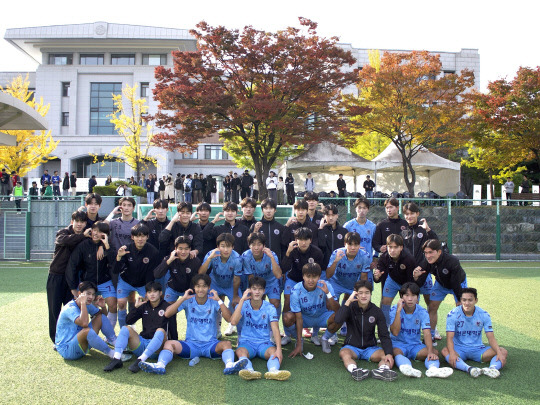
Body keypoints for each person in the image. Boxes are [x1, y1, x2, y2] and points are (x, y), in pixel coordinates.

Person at [139, 274, 248, 375]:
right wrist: (183, 298)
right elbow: (167, 313)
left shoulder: (214, 301)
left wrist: (219, 300)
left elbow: (229, 319)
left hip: (210, 344)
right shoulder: (188, 300)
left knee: (227, 344)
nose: (201, 289)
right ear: (194, 288)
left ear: (209, 287)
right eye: (198, 286)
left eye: (204, 286)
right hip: (191, 345)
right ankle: (160, 366)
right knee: (169, 344)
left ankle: (229, 366)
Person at [104, 281, 176, 373]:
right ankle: (117, 359)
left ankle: (140, 360)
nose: (152, 294)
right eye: (149, 292)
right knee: (125, 328)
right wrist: (136, 307)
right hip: (142, 343)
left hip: (157, 348)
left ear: (160, 293)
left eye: (154, 292)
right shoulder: (144, 306)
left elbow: (173, 327)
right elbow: (128, 321)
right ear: (146, 294)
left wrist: (174, 344)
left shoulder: (168, 307)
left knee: (160, 330)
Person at [336, 280, 397, 382]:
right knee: (344, 353)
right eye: (360, 293)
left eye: (367, 293)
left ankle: (382, 371)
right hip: (352, 347)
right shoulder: (350, 307)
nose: (364, 296)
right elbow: (338, 320)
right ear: (356, 294)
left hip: (370, 348)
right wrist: (348, 301)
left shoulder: (377, 311)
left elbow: (384, 334)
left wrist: (389, 353)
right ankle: (355, 371)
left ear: (371, 294)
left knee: (385, 355)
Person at [231, 277, 291, 381]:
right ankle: (249, 371)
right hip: (247, 342)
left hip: (264, 343)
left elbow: (275, 328)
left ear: (264, 291)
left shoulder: (270, 307)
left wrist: (279, 349)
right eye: (254, 289)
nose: (257, 292)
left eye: (260, 289)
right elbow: (233, 322)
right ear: (249, 290)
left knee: (274, 353)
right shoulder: (243, 305)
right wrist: (241, 300)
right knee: (240, 351)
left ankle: (273, 371)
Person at [441, 287, 508, 378]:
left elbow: (491, 337)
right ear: (460, 300)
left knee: (502, 351)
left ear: (476, 300)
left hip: (478, 350)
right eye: (464, 300)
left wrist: (499, 353)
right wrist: (452, 353)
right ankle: (469, 369)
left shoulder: (484, 314)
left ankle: (492, 369)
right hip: (459, 350)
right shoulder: (453, 314)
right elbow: (450, 338)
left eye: (470, 300)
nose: (467, 303)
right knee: (445, 351)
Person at [390, 282, 453, 378]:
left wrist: (430, 351)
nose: (410, 299)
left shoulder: (422, 311)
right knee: (394, 352)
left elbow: (427, 333)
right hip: (398, 344)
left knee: (434, 353)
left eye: (413, 295)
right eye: (407, 295)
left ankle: (433, 369)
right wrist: (398, 311)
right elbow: (395, 332)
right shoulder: (394, 309)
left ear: (418, 297)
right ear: (401, 297)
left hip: (415, 345)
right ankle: (407, 367)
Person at [55, 281, 128, 361]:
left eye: (93, 294)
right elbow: (84, 324)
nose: (91, 297)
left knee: (101, 317)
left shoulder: (87, 304)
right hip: (67, 350)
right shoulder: (70, 308)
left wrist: (103, 307)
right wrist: (83, 303)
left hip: (81, 343)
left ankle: (117, 344)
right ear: (80, 293)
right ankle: (113, 354)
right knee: (87, 331)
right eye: (88, 293)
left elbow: (103, 317)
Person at [47, 211, 91, 343]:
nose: (79, 224)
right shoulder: (63, 232)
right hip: (56, 276)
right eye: (77, 221)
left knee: (71, 310)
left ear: (85, 224)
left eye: (82, 222)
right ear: (72, 221)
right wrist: (82, 236)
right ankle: (56, 340)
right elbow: (64, 241)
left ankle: (70, 338)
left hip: (72, 279)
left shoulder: (86, 237)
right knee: (54, 310)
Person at [66, 221, 118, 328]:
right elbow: (72, 265)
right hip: (89, 282)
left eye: (99, 232)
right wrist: (72, 287)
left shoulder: (108, 246)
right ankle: (85, 332)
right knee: (87, 307)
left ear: (105, 234)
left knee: (112, 304)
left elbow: (114, 264)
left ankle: (109, 335)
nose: (95, 233)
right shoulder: (83, 245)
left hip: (105, 281)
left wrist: (105, 246)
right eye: (94, 230)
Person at [414, 239, 468, 340]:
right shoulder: (427, 262)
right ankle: (431, 335)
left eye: (430, 252)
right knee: (432, 306)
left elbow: (455, 283)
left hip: (458, 284)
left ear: (439, 252)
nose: (428, 256)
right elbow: (420, 283)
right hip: (440, 284)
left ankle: (462, 337)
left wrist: (460, 298)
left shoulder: (452, 261)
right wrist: (416, 277)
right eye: (425, 253)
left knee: (463, 308)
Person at [284, 263, 341, 356]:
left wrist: (328, 293)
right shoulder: (296, 290)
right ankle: (300, 341)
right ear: (303, 276)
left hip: (322, 316)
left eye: (314, 277)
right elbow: (298, 318)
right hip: (304, 318)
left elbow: (338, 310)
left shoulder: (326, 285)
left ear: (319, 277)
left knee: (340, 316)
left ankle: (325, 338)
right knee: (287, 317)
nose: (311, 280)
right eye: (308, 276)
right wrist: (298, 341)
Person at [280, 227, 325, 345]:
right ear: (295, 240)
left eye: (306, 239)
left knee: (316, 302)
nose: (303, 242)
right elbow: (283, 269)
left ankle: (315, 334)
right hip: (293, 279)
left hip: (311, 280)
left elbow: (319, 271)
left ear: (311, 240)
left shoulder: (317, 252)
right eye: (300, 239)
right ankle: (287, 334)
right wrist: (288, 252)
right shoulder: (292, 250)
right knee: (287, 300)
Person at [114, 223, 160, 328]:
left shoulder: (153, 252)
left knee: (148, 304)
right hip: (126, 281)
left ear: (147, 237)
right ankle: (124, 330)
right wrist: (119, 257)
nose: (140, 239)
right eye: (137, 236)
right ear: (132, 237)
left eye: (143, 236)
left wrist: (148, 291)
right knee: (121, 303)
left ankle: (148, 331)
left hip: (143, 283)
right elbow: (116, 270)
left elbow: (151, 274)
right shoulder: (126, 249)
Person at [326, 231, 371, 337]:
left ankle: (347, 324)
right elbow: (328, 275)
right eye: (350, 244)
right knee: (331, 305)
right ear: (345, 244)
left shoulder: (365, 256)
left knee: (359, 304)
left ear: (360, 245)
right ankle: (332, 334)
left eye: (356, 244)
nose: (353, 247)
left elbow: (364, 277)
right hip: (336, 283)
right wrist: (336, 261)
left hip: (353, 285)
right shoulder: (337, 253)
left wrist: (361, 293)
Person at [402, 202, 437, 325]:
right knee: (410, 301)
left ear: (417, 214)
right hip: (408, 274)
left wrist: (428, 230)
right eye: (406, 214)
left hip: (424, 272)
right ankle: (412, 327)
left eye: (412, 213)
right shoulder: (403, 231)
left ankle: (432, 329)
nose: (409, 216)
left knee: (430, 303)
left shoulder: (423, 229)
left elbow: (435, 243)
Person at [373, 234, 420, 328]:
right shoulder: (384, 257)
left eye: (396, 247)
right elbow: (377, 279)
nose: (392, 250)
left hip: (407, 282)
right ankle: (385, 328)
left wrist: (406, 295)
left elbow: (412, 281)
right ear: (387, 247)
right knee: (385, 302)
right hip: (392, 280)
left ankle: (410, 328)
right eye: (390, 247)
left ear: (401, 247)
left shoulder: (409, 259)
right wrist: (376, 276)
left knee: (411, 303)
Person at [372, 198, 409, 293]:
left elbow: (408, 242)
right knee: (385, 295)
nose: (388, 210)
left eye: (391, 207)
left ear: (397, 208)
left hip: (403, 262)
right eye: (387, 207)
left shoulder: (405, 224)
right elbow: (375, 243)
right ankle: (384, 308)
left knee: (406, 293)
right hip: (386, 262)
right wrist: (380, 248)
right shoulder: (381, 225)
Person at [154, 236, 201, 303]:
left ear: (190, 249)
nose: (183, 252)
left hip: (189, 290)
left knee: (191, 312)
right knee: (168, 311)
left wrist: (189, 295)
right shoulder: (170, 258)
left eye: (186, 249)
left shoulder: (195, 261)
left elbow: (195, 280)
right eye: (180, 248)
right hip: (173, 288)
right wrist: (169, 260)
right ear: (175, 248)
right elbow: (157, 275)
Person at [318, 204, 348, 270]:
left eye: (333, 215)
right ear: (324, 216)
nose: (331, 218)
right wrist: (320, 229)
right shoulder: (321, 230)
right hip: (324, 267)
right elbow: (320, 245)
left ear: (337, 216)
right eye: (328, 215)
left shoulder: (343, 231)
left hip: (340, 267)